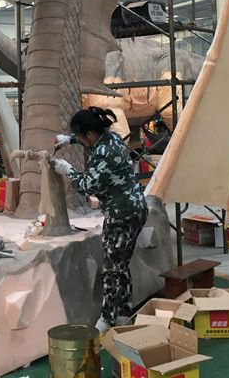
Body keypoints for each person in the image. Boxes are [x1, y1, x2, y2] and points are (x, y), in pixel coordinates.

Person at [52, 107, 148, 334]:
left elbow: (87, 186)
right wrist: (70, 140)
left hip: (121, 215)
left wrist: (68, 170)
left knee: (112, 268)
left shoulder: (103, 154)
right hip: (136, 208)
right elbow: (89, 141)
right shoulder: (111, 138)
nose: (82, 141)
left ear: (89, 133)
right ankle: (123, 314)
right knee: (121, 265)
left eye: (81, 136)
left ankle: (106, 319)